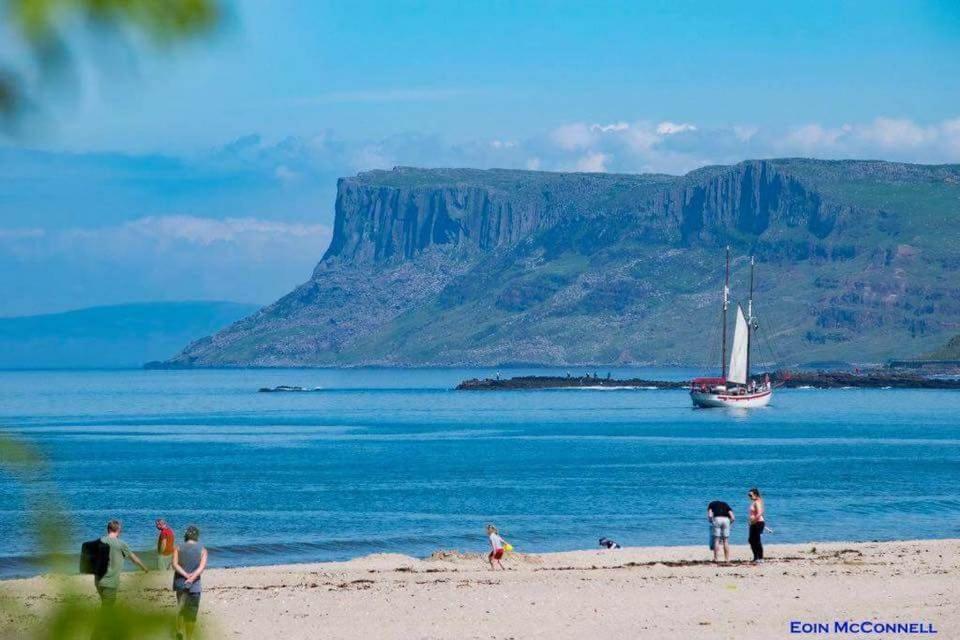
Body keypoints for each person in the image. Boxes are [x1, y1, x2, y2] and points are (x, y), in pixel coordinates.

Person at [95, 519, 149, 608]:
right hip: (110, 582)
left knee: (105, 604)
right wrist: (144, 567)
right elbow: (134, 559)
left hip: (98, 581)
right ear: (119, 530)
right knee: (107, 608)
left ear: (107, 529)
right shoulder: (121, 544)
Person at [172, 525, 208, 640]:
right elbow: (201, 567)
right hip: (195, 585)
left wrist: (185, 575)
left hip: (180, 583)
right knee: (191, 614)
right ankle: (189, 637)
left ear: (186, 535)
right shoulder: (203, 549)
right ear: (197, 536)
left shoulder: (178, 548)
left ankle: (179, 631)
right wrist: (192, 578)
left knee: (181, 609)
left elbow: (175, 565)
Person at [747, 488, 766, 564]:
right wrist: (751, 521)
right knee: (751, 540)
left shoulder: (757, 502)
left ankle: (760, 558)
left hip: (758, 522)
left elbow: (760, 512)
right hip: (754, 523)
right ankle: (756, 557)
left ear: (755, 494)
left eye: (750, 495)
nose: (749, 497)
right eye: (748, 495)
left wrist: (753, 520)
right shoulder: (755, 502)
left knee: (756, 540)